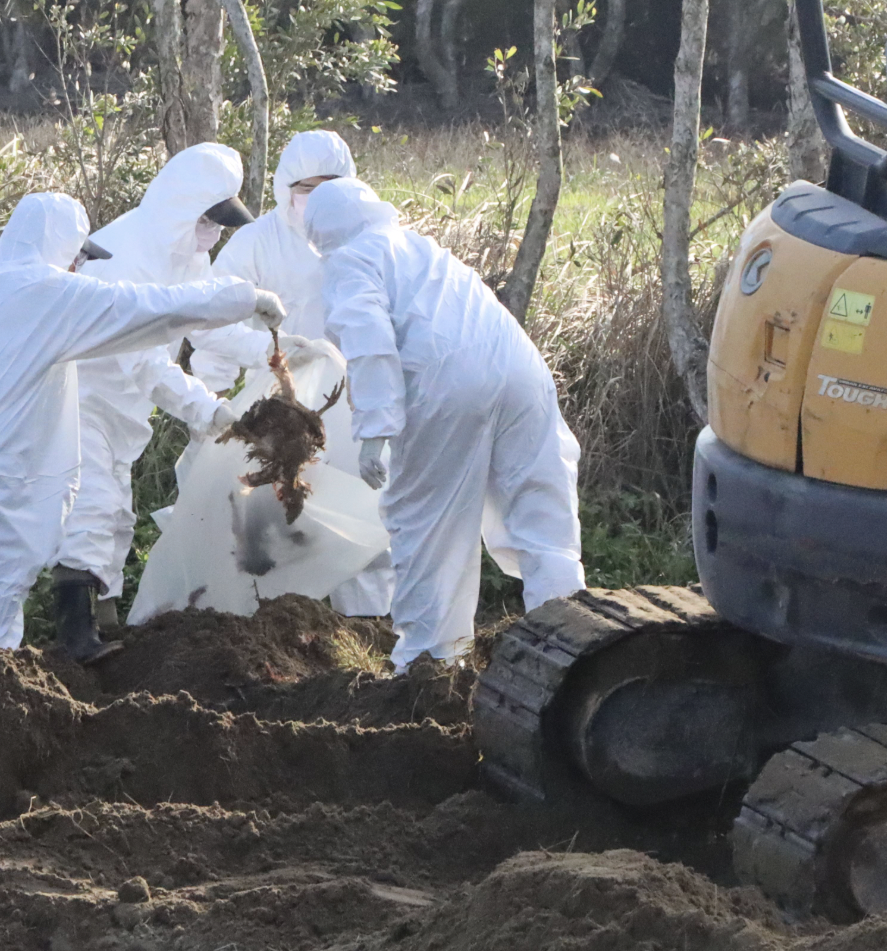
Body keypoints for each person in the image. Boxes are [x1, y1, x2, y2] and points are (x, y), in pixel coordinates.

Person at [0, 192, 285, 657]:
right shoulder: (47, 294)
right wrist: (248, 298)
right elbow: (154, 309)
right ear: (60, 247)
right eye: (78, 256)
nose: (80, 268)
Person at [306, 178, 583, 672]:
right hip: (520, 367)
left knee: (428, 524)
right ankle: (569, 647)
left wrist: (375, 429)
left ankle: (428, 668)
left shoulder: (349, 260)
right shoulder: (418, 247)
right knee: (541, 519)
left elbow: (369, 341)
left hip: (447, 384)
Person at [56, 143, 293, 652]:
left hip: (124, 412)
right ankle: (74, 639)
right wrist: (209, 410)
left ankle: (104, 628)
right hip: (85, 403)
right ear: (182, 206)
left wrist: (274, 351)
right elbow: (142, 362)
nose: (213, 232)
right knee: (92, 512)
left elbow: (204, 326)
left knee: (117, 517)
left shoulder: (189, 255)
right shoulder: (121, 255)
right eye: (208, 219)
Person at [208, 128, 394, 617]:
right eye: (304, 188)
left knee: (361, 521)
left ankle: (366, 629)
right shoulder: (253, 243)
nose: (313, 200)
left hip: (350, 401)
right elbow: (212, 320)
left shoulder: (367, 241)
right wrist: (221, 385)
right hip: (277, 403)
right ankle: (274, 628)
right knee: (271, 516)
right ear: (284, 188)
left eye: (328, 186)